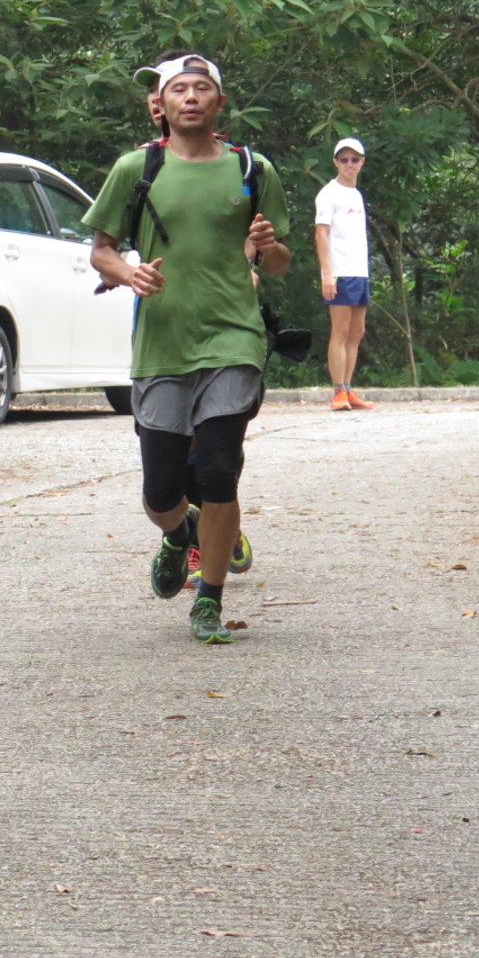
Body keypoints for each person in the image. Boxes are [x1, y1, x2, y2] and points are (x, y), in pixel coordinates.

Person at [86, 52, 291, 644]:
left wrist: (267, 245)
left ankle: (209, 601)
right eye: (180, 89)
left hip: (233, 339)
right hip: (162, 345)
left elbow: (279, 264)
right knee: (161, 491)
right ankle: (180, 533)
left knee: (221, 470)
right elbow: (100, 250)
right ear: (163, 103)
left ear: (219, 102)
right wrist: (128, 273)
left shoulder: (253, 168)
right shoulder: (137, 168)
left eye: (202, 88)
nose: (191, 97)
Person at [315, 136, 373, 411]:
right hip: (339, 272)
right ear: (336, 162)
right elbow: (321, 233)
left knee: (357, 331)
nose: (350, 164)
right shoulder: (329, 194)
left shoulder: (356, 195)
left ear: (362, 162)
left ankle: (348, 389)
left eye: (354, 159)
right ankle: (337, 390)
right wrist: (327, 274)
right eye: (344, 159)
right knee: (339, 329)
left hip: (359, 270)